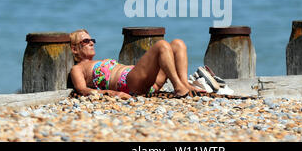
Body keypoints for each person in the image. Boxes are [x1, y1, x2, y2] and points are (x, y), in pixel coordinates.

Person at [69, 29, 205, 99]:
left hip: (149, 82)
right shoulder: (78, 68)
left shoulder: (97, 61)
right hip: (131, 85)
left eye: (91, 40)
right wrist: (112, 94)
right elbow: (82, 90)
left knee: (177, 44)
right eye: (85, 41)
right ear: (74, 49)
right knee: (161, 45)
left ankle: (185, 84)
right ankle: (178, 87)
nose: (91, 42)